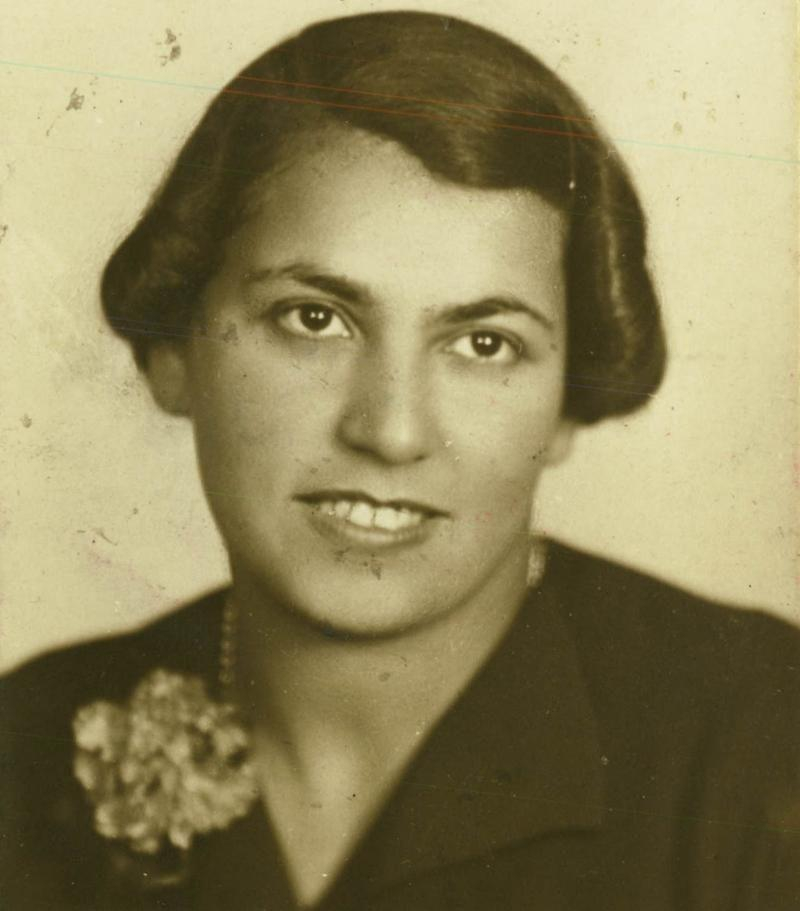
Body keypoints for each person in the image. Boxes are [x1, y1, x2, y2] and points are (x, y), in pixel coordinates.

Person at [2, 10, 798, 910]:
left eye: (485, 344)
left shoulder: (763, 744)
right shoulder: (23, 748)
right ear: (172, 350)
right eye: (315, 319)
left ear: (570, 400)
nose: (390, 430)